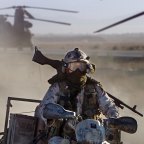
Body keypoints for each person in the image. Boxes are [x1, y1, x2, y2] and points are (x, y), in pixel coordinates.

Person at [35, 48, 120, 144]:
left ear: (87, 68)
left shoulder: (94, 87)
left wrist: (114, 119)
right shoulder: (58, 87)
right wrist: (53, 115)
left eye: (81, 67)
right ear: (66, 68)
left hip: (93, 136)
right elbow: (44, 108)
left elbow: (108, 105)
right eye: (74, 67)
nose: (78, 71)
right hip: (64, 137)